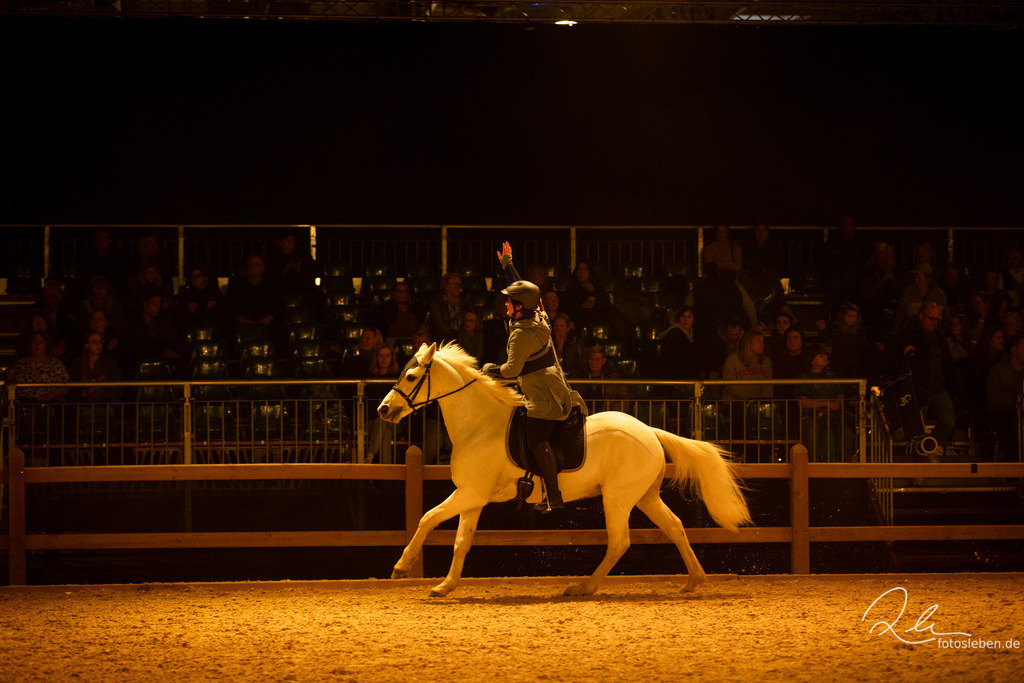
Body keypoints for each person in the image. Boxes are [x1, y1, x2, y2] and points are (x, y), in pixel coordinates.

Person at [485, 242, 587, 511]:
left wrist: (487, 369)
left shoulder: (521, 334)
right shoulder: (538, 314)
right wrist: (508, 266)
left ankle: (554, 497)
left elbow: (511, 371)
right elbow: (525, 290)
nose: (506, 303)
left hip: (543, 393)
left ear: (519, 306)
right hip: (551, 383)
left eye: (510, 300)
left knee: (535, 439)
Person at [889, 302, 959, 460]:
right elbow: (893, 359)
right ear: (921, 316)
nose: (934, 322)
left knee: (948, 421)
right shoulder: (908, 335)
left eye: (937, 319)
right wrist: (904, 354)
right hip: (919, 390)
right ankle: (920, 467)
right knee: (916, 430)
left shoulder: (939, 337)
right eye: (931, 318)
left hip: (939, 388)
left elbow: (947, 364)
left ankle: (930, 448)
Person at [795, 345, 855, 462]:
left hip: (832, 416)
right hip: (811, 416)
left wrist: (837, 404)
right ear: (812, 360)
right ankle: (812, 467)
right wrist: (826, 404)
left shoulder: (831, 376)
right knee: (812, 432)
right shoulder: (804, 377)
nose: (825, 357)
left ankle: (846, 467)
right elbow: (803, 402)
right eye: (820, 355)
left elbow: (839, 395)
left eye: (825, 354)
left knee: (846, 432)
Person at [124, 292, 183, 377]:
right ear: (145, 304)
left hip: (163, 364)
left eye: (159, 304)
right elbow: (132, 347)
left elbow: (172, 341)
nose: (157, 308)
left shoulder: (164, 322)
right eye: (154, 304)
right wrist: (158, 351)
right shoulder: (134, 323)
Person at [985, 334, 1024, 461]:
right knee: (1011, 428)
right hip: (1006, 416)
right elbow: (994, 400)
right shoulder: (998, 371)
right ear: (1014, 350)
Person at [9, 331, 69, 403]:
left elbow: (64, 385)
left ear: (46, 345)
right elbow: (10, 383)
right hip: (24, 404)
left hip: (50, 404)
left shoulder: (56, 364)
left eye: (41, 342)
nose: (37, 344)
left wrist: (49, 397)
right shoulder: (20, 365)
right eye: (35, 341)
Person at [891, 263, 949, 335]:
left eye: (919, 278)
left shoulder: (938, 295)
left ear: (928, 279)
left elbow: (946, 317)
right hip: (911, 336)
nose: (916, 280)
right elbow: (899, 318)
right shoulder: (907, 294)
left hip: (933, 336)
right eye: (915, 278)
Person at [68, 331, 124, 403]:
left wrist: (99, 389)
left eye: (100, 342)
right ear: (86, 345)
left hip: (106, 403)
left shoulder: (109, 362)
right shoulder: (78, 364)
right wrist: (84, 392)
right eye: (94, 342)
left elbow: (118, 385)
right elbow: (71, 387)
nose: (98, 345)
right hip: (82, 403)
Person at [572, 344, 628, 414]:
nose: (594, 362)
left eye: (597, 359)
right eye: (591, 359)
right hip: (584, 415)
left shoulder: (613, 379)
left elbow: (623, 401)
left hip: (607, 416)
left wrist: (610, 413)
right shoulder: (579, 377)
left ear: (603, 361)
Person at [561, 260, 612, 331]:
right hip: (577, 321)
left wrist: (594, 292)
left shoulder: (598, 288)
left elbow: (606, 306)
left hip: (597, 323)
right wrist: (581, 305)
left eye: (584, 269)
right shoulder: (571, 288)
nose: (581, 272)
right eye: (579, 269)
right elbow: (567, 306)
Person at [659, 305, 706, 381]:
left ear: (693, 319)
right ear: (678, 319)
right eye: (682, 316)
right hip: (677, 377)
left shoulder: (693, 335)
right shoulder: (674, 334)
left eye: (689, 317)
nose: (685, 320)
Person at [176, 264, 224, 331]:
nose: (194, 278)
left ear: (205, 278)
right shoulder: (187, 292)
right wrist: (187, 307)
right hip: (192, 325)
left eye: (197, 276)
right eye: (192, 276)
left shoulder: (212, 291)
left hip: (210, 325)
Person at [427, 272, 469, 343]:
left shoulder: (465, 303)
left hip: (462, 338)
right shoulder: (437, 304)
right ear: (446, 286)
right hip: (443, 338)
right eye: (455, 284)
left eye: (459, 284)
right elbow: (440, 326)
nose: (458, 287)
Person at [550, 312, 586, 377]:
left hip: (574, 378)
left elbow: (581, 365)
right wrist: (559, 349)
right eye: (556, 326)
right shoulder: (549, 343)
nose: (558, 329)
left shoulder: (576, 343)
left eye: (561, 326)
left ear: (568, 328)